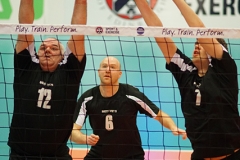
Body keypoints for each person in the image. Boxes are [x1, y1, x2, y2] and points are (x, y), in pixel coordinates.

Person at [135, 0, 240, 159]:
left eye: (202, 44)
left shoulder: (224, 69)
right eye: (195, 43)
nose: (197, 45)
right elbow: (159, 33)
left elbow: (201, 32)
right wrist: (140, 3)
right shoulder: (185, 71)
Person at [8, 0, 87, 159]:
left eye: (54, 48)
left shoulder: (70, 72)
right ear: (37, 53)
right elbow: (25, 25)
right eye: (43, 47)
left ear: (62, 55)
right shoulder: (26, 66)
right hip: (21, 155)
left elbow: (78, 32)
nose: (48, 50)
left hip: (56, 155)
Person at [70, 56, 187, 159]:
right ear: (99, 71)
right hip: (99, 154)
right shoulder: (88, 98)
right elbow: (73, 133)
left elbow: (159, 114)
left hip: (131, 155)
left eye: (113, 67)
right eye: (104, 66)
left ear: (120, 73)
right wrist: (86, 139)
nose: (108, 70)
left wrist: (172, 127)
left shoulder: (131, 94)